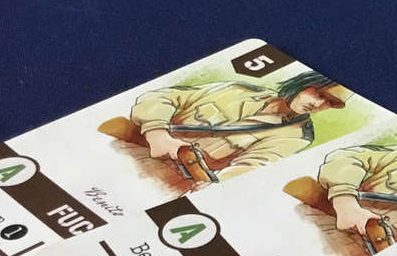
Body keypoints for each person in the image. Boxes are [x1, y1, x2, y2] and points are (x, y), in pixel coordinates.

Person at [99, 71, 351, 185]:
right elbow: (160, 98)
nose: (317, 104)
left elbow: (248, 168)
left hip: (175, 180)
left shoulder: (297, 135)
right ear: (304, 83)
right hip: (131, 149)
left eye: (329, 103)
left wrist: (207, 186)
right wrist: (157, 132)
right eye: (318, 93)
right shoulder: (238, 90)